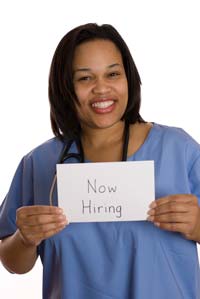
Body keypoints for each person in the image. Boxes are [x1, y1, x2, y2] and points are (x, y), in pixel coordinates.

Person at [0, 23, 200, 299]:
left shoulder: (179, 149)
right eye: (85, 78)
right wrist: (24, 239)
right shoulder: (40, 163)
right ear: (64, 87)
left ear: (128, 78)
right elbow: (13, 263)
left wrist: (198, 223)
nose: (102, 89)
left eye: (113, 74)